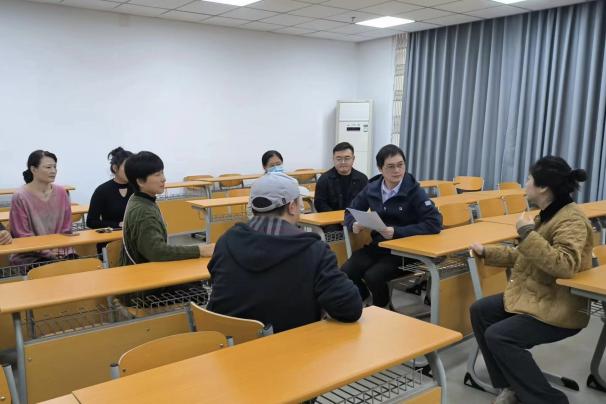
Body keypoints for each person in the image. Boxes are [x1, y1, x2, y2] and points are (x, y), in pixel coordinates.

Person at [469, 156, 593, 404]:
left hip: (560, 306)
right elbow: (527, 255)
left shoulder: (571, 220)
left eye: (529, 179)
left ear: (543, 187)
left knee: (499, 336)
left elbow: (564, 265)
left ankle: (549, 400)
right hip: (538, 296)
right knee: (481, 311)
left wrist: (526, 233)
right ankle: (509, 386)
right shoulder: (549, 215)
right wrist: (487, 253)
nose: (525, 184)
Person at [207, 172, 362, 333]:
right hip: (290, 345)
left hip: (227, 343)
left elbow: (216, 284)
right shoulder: (313, 250)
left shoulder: (225, 241)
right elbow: (350, 308)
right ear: (292, 207)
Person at [342, 144, 442, 308]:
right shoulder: (372, 188)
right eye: (390, 166)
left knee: (374, 276)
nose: (397, 170)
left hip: (405, 251)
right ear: (380, 168)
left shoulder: (413, 190)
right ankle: (364, 297)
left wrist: (397, 231)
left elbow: (435, 223)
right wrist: (354, 224)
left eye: (400, 165)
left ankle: (382, 309)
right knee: (347, 271)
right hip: (379, 246)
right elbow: (349, 212)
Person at [119, 151, 214, 266]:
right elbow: (157, 252)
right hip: (144, 273)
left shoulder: (140, 199)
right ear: (140, 181)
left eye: (162, 173)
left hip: (150, 267)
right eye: (157, 175)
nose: (163, 179)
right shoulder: (142, 211)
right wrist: (200, 250)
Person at [9, 150, 74, 265]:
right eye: (48, 167)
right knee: (50, 269)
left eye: (55, 167)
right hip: (31, 254)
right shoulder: (20, 196)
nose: (53, 171)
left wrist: (59, 248)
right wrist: (48, 252)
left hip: (61, 250)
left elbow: (66, 228)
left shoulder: (61, 192)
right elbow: (22, 235)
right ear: (33, 169)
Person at [87, 147, 134, 229]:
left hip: (136, 234)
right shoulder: (102, 190)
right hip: (112, 235)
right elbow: (91, 222)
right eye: (127, 167)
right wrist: (117, 224)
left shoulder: (138, 188)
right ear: (115, 168)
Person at [314, 142, 368, 213]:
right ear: (333, 159)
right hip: (330, 218)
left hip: (354, 217)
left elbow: (365, 202)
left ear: (353, 159)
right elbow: (319, 204)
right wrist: (336, 216)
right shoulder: (324, 179)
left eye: (347, 158)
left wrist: (350, 216)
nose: (343, 162)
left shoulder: (362, 179)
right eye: (339, 159)